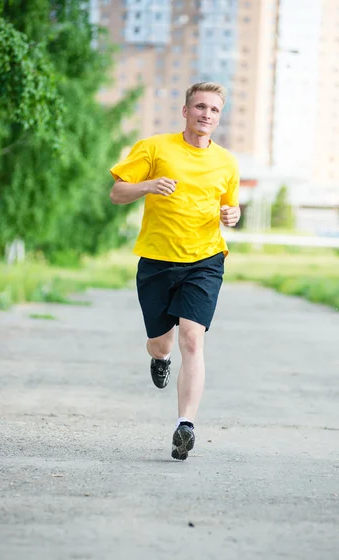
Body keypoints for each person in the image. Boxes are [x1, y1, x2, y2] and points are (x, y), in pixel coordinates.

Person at [109, 81, 240, 460]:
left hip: (205, 259)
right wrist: (148, 185)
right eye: (200, 107)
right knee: (162, 343)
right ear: (185, 111)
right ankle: (160, 359)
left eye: (214, 110)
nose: (206, 115)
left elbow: (230, 208)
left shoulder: (227, 162)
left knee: (192, 339)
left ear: (219, 116)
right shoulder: (154, 148)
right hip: (157, 260)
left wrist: (233, 214)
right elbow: (117, 193)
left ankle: (186, 424)